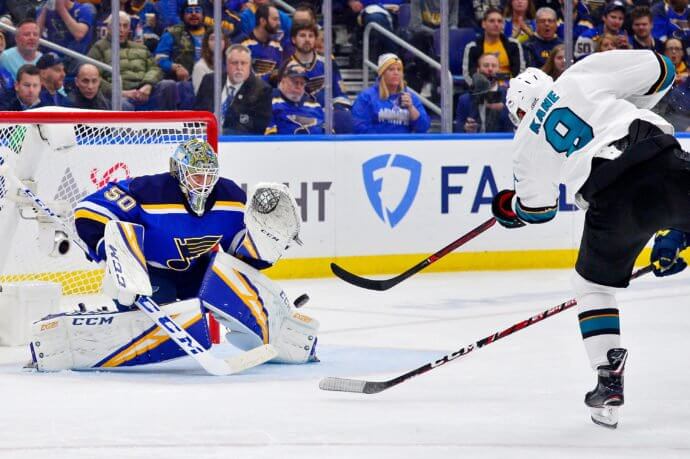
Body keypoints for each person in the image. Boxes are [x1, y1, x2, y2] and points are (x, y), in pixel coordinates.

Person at [490, 50, 680, 428]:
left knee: (591, 285)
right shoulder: (580, 76)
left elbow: (538, 211)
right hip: (662, 158)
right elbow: (664, 71)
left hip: (610, 197)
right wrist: (620, 102)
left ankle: (608, 379)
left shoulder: (526, 142)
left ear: (520, 114)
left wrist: (512, 209)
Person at [31, 138, 319, 371]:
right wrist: (108, 250)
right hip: (151, 272)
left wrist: (264, 245)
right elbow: (89, 211)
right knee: (150, 327)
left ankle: (283, 335)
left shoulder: (231, 198)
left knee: (242, 291)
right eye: (196, 175)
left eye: (209, 176)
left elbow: (237, 256)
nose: (203, 183)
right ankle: (68, 335)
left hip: (199, 271)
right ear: (179, 171)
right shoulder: (148, 190)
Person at [88, 11, 177, 110]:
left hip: (144, 92)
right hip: (120, 95)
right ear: (109, 28)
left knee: (169, 85)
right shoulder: (99, 48)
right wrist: (121, 93)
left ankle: (169, 124)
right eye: (118, 25)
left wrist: (148, 85)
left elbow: (155, 68)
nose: (121, 30)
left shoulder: (141, 47)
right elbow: (94, 78)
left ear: (129, 29)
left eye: (125, 26)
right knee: (123, 104)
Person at [194, 44, 272, 135]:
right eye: (235, 63)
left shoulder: (261, 90)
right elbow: (198, 112)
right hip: (204, 135)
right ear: (227, 64)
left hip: (237, 142)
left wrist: (221, 132)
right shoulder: (210, 80)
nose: (239, 68)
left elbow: (257, 128)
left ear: (249, 65)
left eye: (243, 63)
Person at [352, 53, 430, 134]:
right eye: (391, 69)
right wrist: (385, 139)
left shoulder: (410, 97)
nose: (396, 73)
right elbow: (358, 126)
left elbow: (423, 128)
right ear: (382, 74)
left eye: (399, 69)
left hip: (404, 145)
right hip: (376, 144)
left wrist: (411, 108)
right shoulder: (367, 97)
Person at [284, 21, 346, 107]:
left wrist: (339, 110)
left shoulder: (328, 64)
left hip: (324, 116)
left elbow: (340, 96)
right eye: (302, 36)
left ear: (315, 39)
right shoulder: (285, 67)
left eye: (311, 36)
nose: (307, 39)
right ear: (293, 39)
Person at [462, 7, 525, 87]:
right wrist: (479, 88)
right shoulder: (472, 47)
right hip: (482, 89)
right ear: (483, 24)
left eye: (499, 21)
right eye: (492, 21)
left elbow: (520, 72)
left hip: (509, 89)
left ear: (503, 25)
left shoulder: (514, 44)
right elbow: (468, 74)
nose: (496, 24)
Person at [454, 53, 512, 133]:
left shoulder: (510, 96)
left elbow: (518, 125)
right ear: (478, 70)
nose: (490, 69)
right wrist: (465, 129)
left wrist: (504, 110)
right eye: (486, 65)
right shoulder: (465, 99)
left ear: (499, 70)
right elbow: (457, 129)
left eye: (494, 66)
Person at [36, 0, 96, 76]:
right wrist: (44, 10)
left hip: (75, 59)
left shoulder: (83, 10)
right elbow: (36, 35)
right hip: (52, 59)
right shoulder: (43, 11)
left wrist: (61, 9)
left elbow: (79, 34)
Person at [265, 62, 324, 134]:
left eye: (302, 83)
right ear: (283, 81)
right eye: (295, 82)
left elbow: (330, 135)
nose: (298, 87)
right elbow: (270, 138)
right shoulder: (268, 101)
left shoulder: (315, 105)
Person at [154, 0, 207, 82]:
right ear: (182, 16)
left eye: (197, 11)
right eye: (189, 11)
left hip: (209, 80)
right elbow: (159, 59)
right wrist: (176, 67)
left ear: (203, 15)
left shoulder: (214, 33)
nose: (194, 14)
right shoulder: (172, 33)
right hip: (183, 81)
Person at [237, 4, 283, 80]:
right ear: (263, 21)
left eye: (279, 20)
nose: (279, 23)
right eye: (275, 19)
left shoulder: (277, 46)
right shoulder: (243, 44)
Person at [191, 29, 225, 93]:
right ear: (206, 43)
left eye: (221, 38)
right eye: (212, 39)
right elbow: (201, 94)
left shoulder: (230, 64)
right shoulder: (200, 66)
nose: (217, 41)